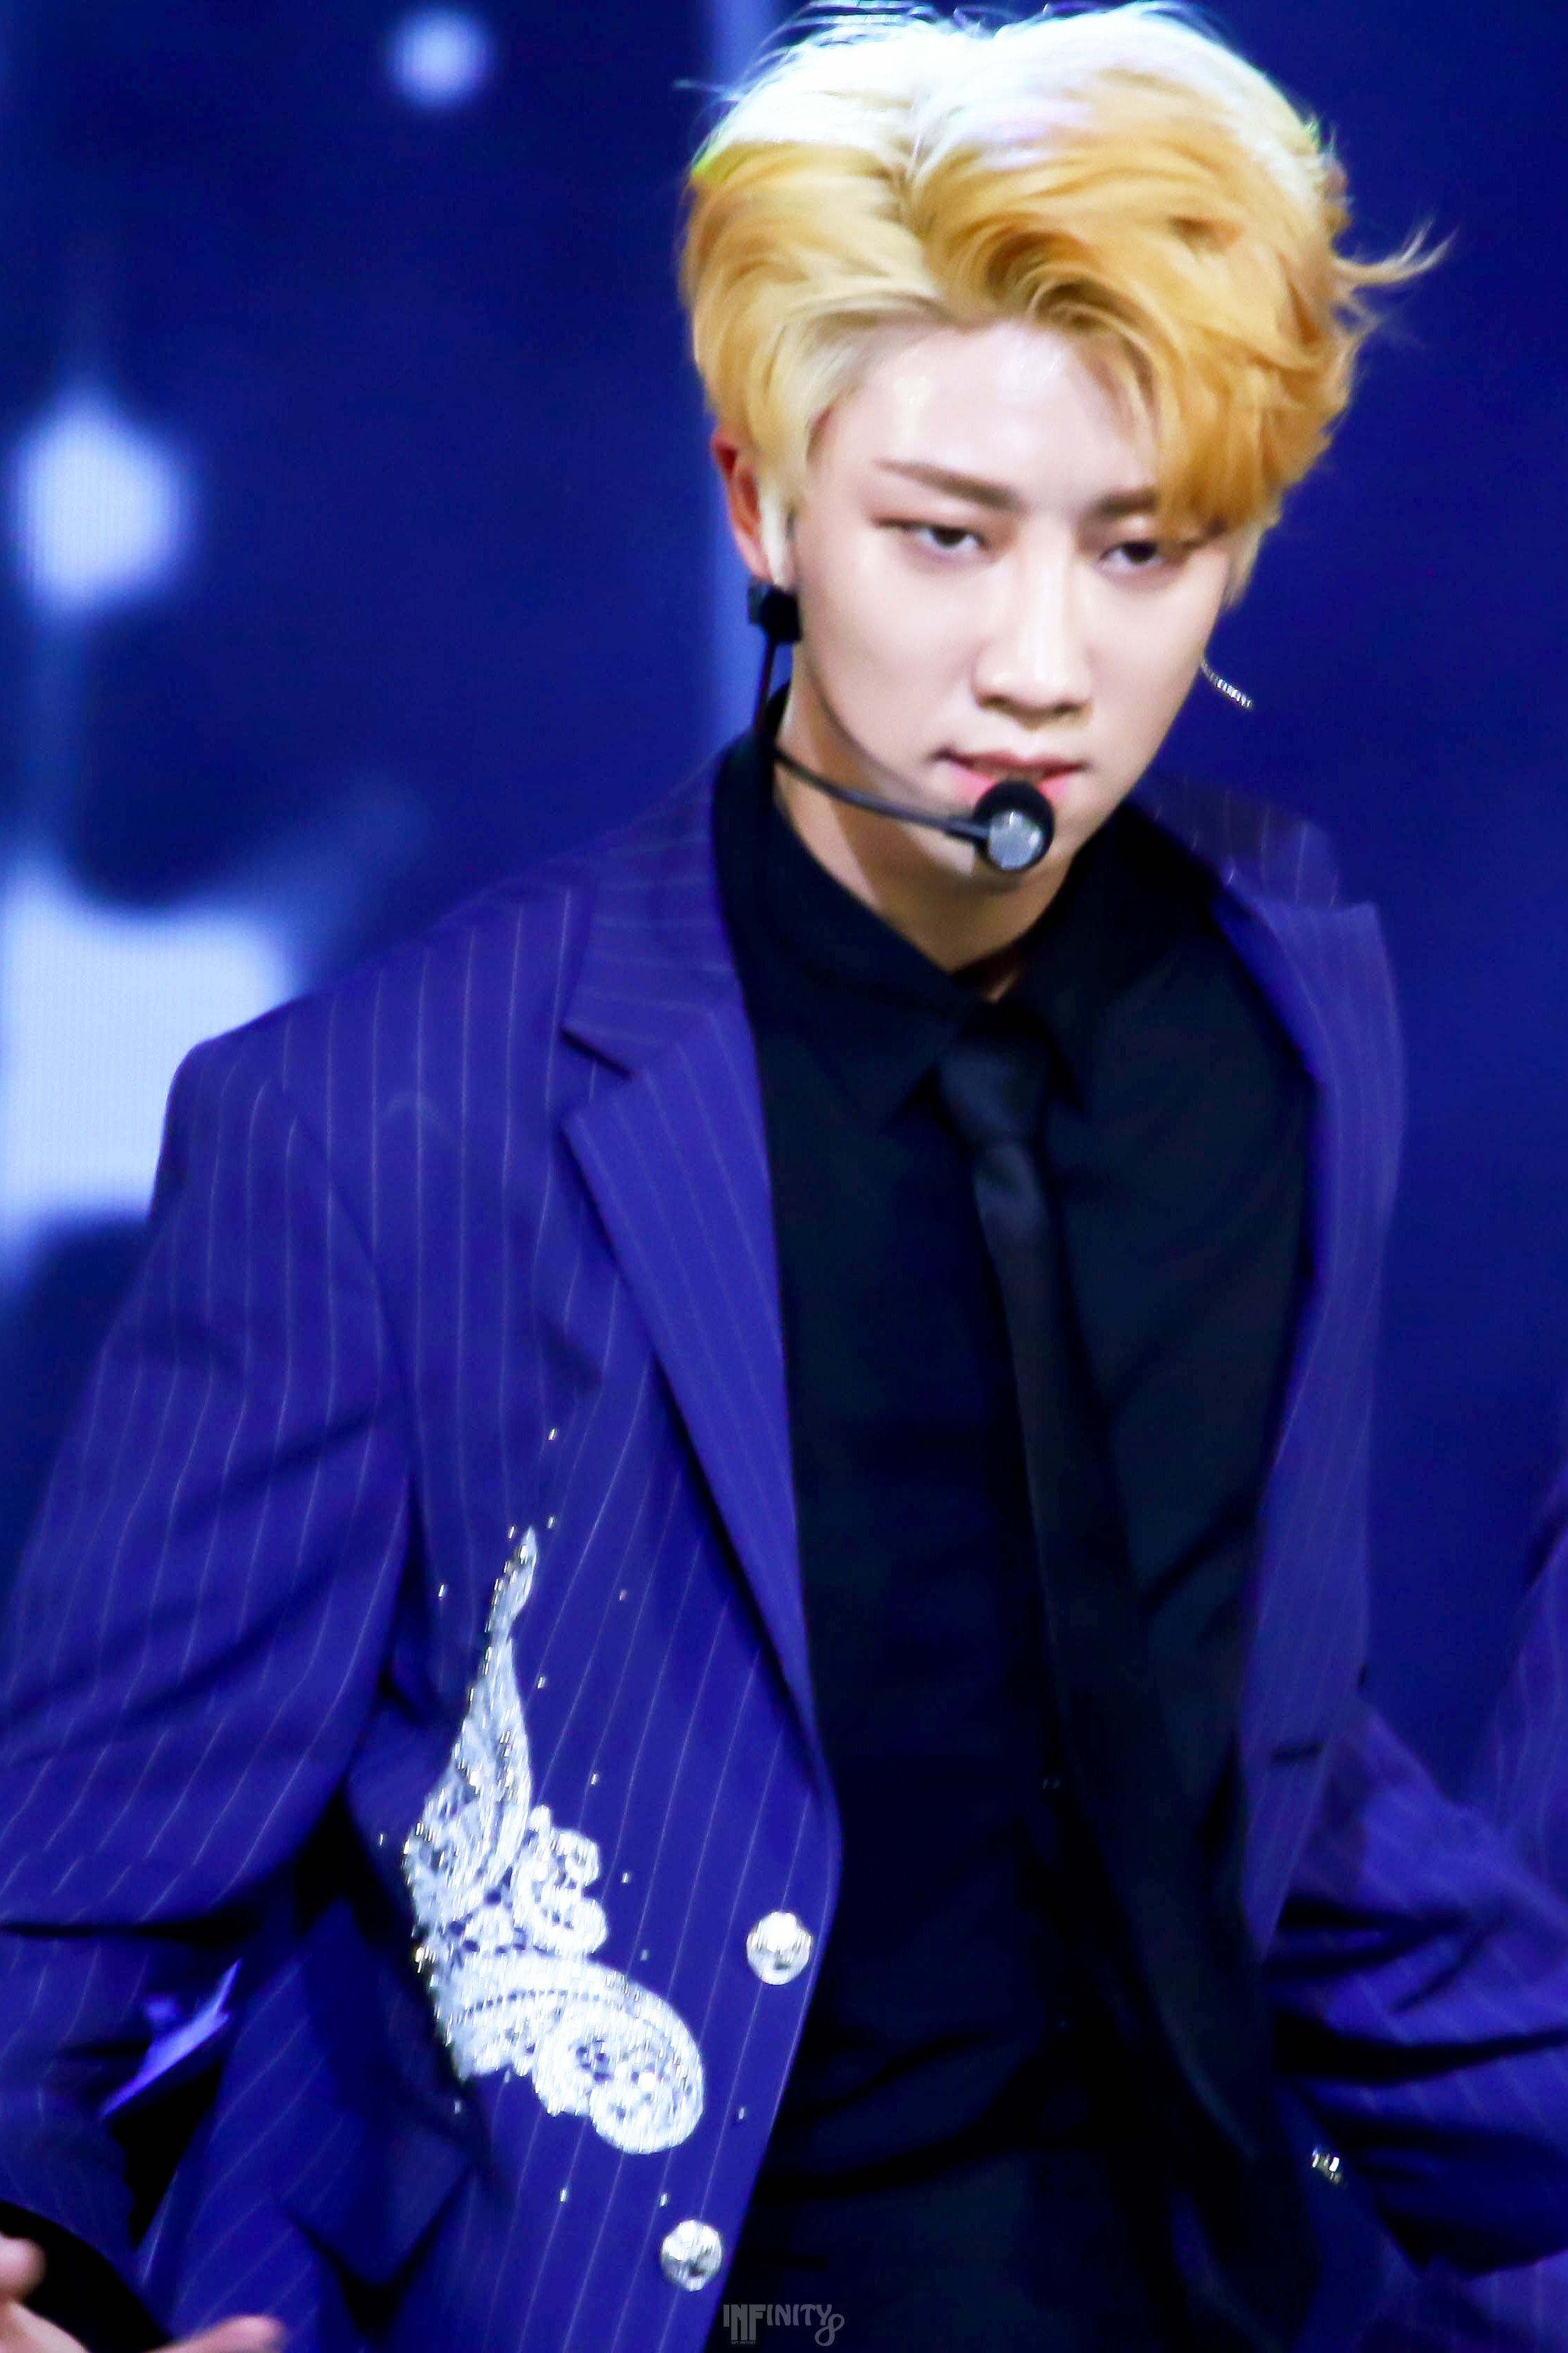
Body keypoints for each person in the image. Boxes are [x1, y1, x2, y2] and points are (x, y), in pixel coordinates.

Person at [4, 6, 1568, 2349]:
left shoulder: (1280, 995)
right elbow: (80, 1879)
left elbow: (1250, 1748)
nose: (1041, 662)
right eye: (944, 536)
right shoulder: (387, 1114)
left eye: (1142, 549)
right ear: (761, 508)